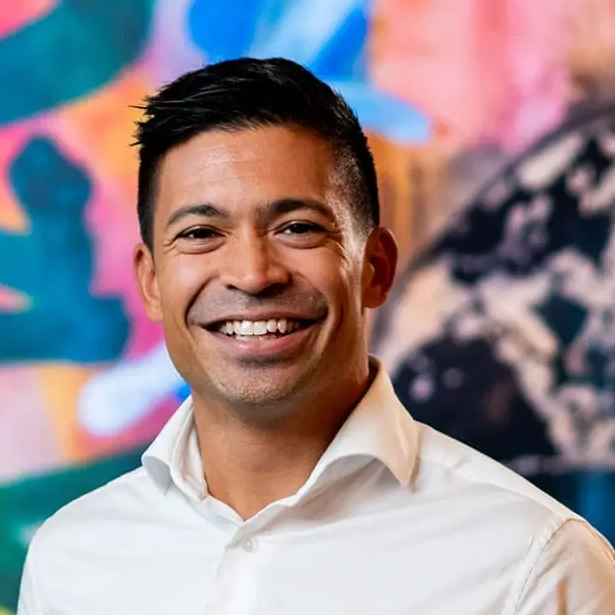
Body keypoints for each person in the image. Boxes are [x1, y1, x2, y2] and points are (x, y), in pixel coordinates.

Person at [17, 57, 615, 615]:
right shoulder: (70, 559)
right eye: (201, 233)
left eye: (297, 228)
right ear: (151, 282)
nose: (252, 274)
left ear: (375, 268)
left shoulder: (535, 563)